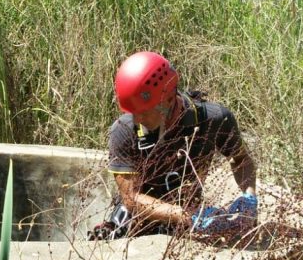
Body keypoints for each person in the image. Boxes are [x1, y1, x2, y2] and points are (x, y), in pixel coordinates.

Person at [91, 51, 258, 239]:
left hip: (188, 214)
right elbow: (131, 198)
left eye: (144, 112)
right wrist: (186, 215)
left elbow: (241, 159)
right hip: (135, 219)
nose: (137, 119)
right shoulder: (124, 129)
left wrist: (249, 197)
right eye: (132, 112)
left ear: (169, 100)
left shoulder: (213, 120)